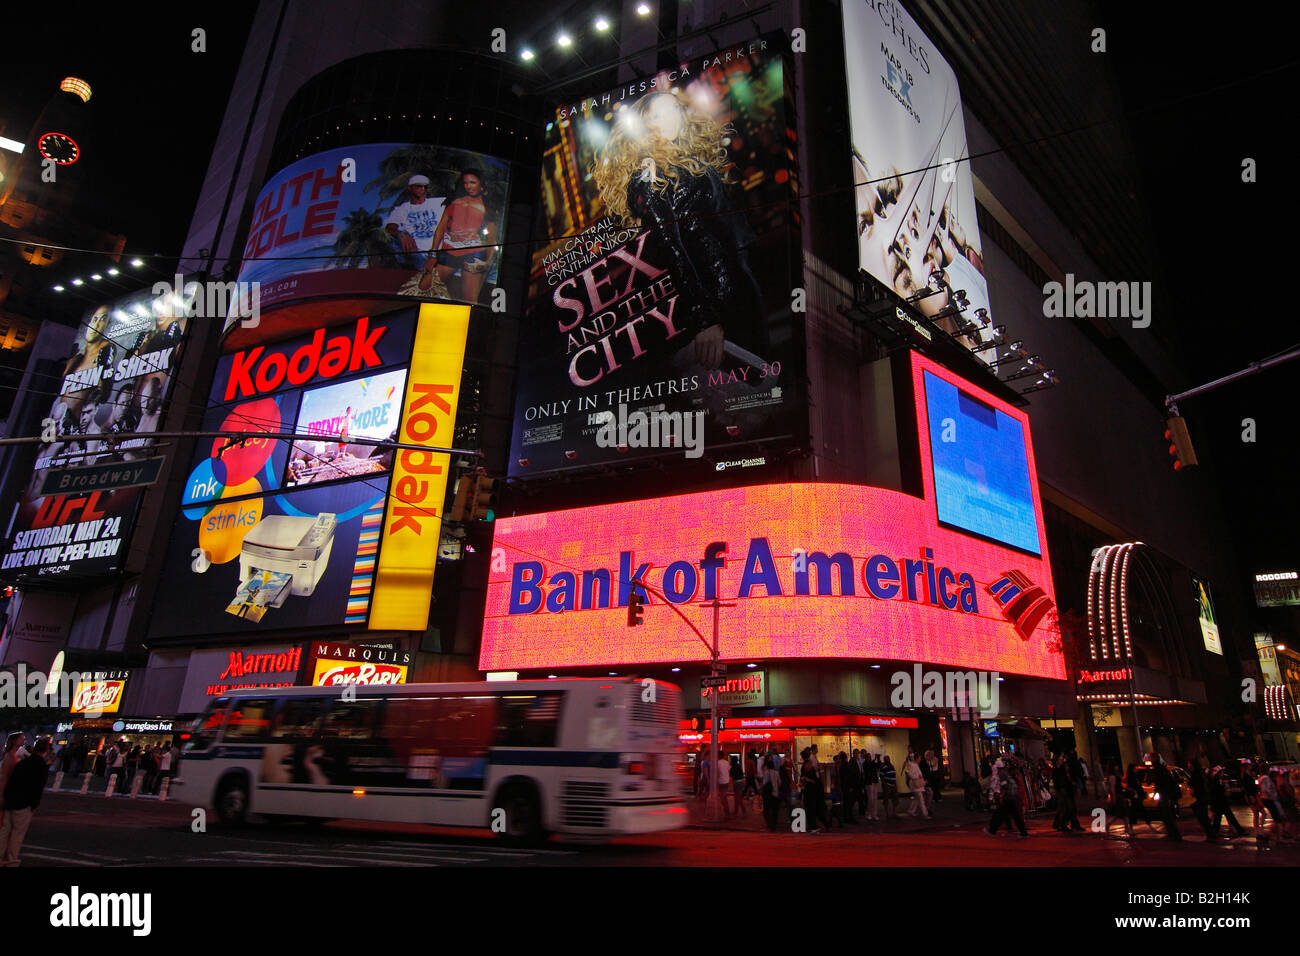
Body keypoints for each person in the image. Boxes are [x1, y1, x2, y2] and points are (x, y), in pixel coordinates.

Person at [593, 90, 764, 372]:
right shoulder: (649, 177)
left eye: (674, 109)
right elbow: (672, 250)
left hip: (739, 284)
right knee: (746, 399)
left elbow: (728, 226)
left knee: (762, 388)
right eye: (658, 115)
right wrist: (704, 318)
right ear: (644, 126)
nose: (670, 118)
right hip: (717, 299)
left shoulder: (689, 164)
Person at [426, 168, 496, 301]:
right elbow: (440, 228)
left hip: (473, 253)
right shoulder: (454, 200)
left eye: (473, 182)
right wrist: (433, 254)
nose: (468, 186)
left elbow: (492, 239)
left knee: (469, 300)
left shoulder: (488, 206)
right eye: (465, 183)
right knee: (425, 288)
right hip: (449, 249)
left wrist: (487, 262)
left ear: (481, 185)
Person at [0, 736, 51, 865]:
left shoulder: (22, 763)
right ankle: (11, 859)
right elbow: (37, 787)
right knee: (17, 833)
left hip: (11, 801)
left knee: (5, 831)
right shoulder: (40, 766)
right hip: (24, 803)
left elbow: (11, 781)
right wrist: (34, 804)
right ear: (45, 751)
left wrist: (6, 797)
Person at [386, 174, 445, 271]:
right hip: (417, 253)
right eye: (418, 186)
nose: (422, 189)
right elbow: (390, 227)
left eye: (425, 187)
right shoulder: (402, 209)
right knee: (392, 242)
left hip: (438, 251)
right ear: (410, 188)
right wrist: (401, 233)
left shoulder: (438, 202)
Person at [987, 757, 1029, 837]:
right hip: (1011, 797)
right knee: (1011, 815)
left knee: (1001, 814)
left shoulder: (1002, 774)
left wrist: (1001, 795)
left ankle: (992, 830)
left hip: (1008, 797)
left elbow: (1004, 786)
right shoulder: (1006, 773)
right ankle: (1023, 832)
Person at [1207, 763, 1247, 840]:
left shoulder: (1218, 781)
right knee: (1228, 817)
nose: (1223, 774)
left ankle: (1215, 832)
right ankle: (1239, 830)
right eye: (1221, 772)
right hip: (1221, 803)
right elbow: (1218, 793)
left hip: (1220, 803)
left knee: (1219, 818)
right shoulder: (1216, 783)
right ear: (1218, 774)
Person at [1149, 754, 1183, 841]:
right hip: (1165, 794)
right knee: (1165, 813)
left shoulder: (1159, 769)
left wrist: (1158, 792)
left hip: (1164, 794)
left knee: (1166, 814)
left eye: (1150, 758)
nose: (1149, 759)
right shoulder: (1160, 768)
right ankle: (1172, 832)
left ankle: (1175, 834)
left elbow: (1161, 783)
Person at [1052, 754, 1084, 832]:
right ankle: (1063, 824)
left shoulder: (1063, 769)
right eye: (1060, 759)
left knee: (1070, 808)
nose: (1062, 760)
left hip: (1068, 790)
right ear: (1057, 761)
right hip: (1063, 790)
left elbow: (1068, 778)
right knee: (1067, 808)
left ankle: (1071, 824)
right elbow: (1057, 782)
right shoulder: (1057, 771)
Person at [800, 748, 828, 833]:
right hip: (813, 791)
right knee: (813, 809)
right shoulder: (810, 766)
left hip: (811, 791)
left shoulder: (808, 766)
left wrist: (806, 780)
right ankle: (815, 825)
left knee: (811, 809)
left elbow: (810, 780)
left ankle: (814, 826)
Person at [903, 753, 930, 819]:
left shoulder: (914, 765)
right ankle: (925, 813)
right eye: (919, 758)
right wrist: (918, 776)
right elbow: (911, 774)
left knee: (917, 799)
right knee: (920, 799)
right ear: (917, 758)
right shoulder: (913, 765)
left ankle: (911, 811)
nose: (920, 759)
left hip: (916, 784)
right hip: (916, 784)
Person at [760, 755, 782, 831]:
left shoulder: (766, 773)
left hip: (768, 795)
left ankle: (769, 824)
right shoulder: (777, 773)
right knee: (775, 811)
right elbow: (779, 783)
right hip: (775, 794)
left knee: (766, 810)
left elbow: (764, 783)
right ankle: (774, 825)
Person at [862, 752, 880, 821]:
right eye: (868, 757)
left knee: (875, 799)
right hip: (868, 783)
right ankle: (869, 813)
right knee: (870, 799)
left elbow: (878, 766)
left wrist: (878, 759)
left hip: (874, 782)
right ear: (866, 758)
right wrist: (875, 759)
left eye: (870, 757)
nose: (869, 758)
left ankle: (874, 814)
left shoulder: (872, 763)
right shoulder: (865, 764)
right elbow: (868, 767)